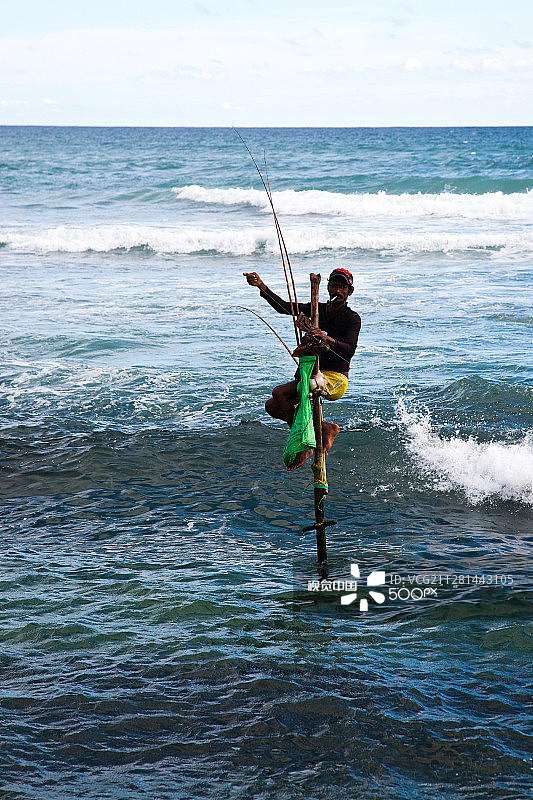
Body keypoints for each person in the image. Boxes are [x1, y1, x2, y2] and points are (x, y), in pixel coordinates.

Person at [244, 268, 361, 470]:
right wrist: (261, 287)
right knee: (272, 406)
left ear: (350, 291)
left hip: (334, 378)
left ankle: (305, 444)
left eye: (343, 287)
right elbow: (284, 307)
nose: (338, 290)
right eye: (334, 285)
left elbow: (348, 350)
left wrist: (325, 338)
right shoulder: (318, 310)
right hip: (311, 374)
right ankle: (323, 429)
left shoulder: (352, 318)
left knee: (279, 392)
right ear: (327, 287)